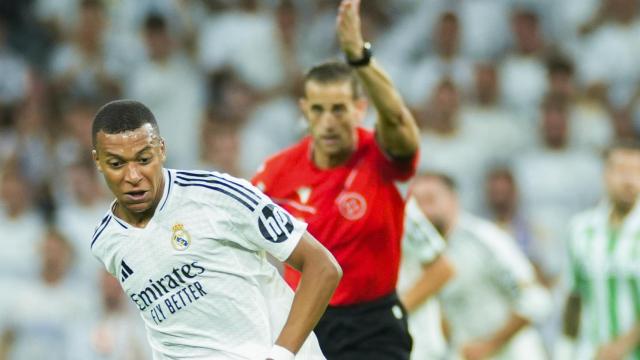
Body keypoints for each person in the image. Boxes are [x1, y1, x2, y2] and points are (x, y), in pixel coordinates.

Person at [89, 99, 342, 360]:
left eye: (143, 159)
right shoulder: (106, 242)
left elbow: (322, 267)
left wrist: (280, 355)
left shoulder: (217, 194)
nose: (133, 176)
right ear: (98, 161)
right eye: (117, 164)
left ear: (161, 150)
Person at [251, 0, 420, 358]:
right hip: (305, 322)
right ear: (305, 111)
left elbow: (399, 122)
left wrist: (359, 57)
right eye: (319, 109)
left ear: (359, 110)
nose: (329, 121)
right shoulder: (275, 173)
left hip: (372, 325)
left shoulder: (381, 157)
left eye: (339, 109)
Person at [411, 172, 550, 360]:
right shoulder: (420, 254)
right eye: (417, 202)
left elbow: (534, 300)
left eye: (431, 199)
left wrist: (490, 345)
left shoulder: (483, 240)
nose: (424, 210)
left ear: (453, 199)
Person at [563, 141, 640, 359]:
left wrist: (621, 346)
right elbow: (574, 295)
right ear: (605, 174)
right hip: (591, 352)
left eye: (637, 172)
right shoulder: (580, 229)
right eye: (622, 171)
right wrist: (566, 348)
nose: (630, 181)